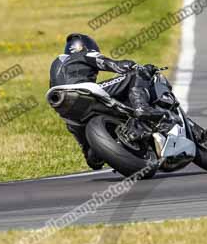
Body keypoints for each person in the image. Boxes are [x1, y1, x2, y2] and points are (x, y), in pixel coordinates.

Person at [49, 33, 175, 170]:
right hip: (82, 91)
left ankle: (96, 149)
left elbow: (94, 164)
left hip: (65, 109)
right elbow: (109, 63)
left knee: (91, 156)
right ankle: (141, 107)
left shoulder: (60, 68)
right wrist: (133, 66)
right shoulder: (85, 54)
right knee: (134, 75)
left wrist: (96, 153)